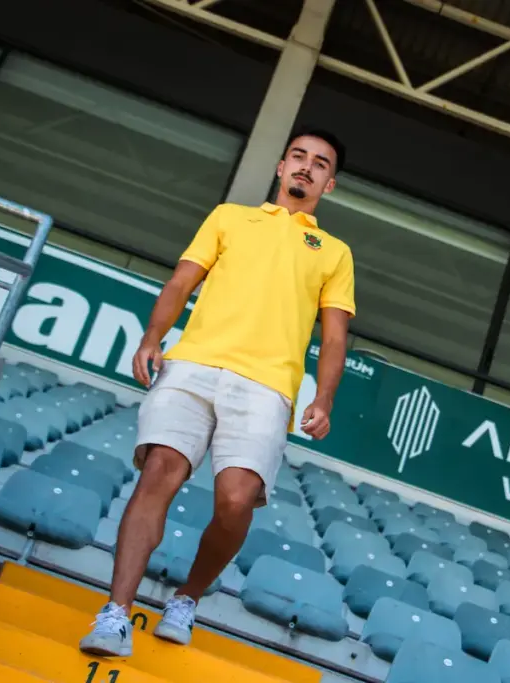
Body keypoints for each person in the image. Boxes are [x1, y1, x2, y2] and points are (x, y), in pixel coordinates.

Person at [79, 127, 355, 657]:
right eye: (298, 156)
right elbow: (182, 281)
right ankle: (115, 614)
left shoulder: (336, 253)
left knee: (235, 500)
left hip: (267, 385)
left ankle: (186, 598)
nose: (306, 166)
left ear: (330, 183)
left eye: (319, 163)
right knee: (159, 470)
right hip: (193, 365)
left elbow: (335, 334)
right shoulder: (229, 216)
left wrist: (324, 398)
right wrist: (153, 336)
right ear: (279, 167)